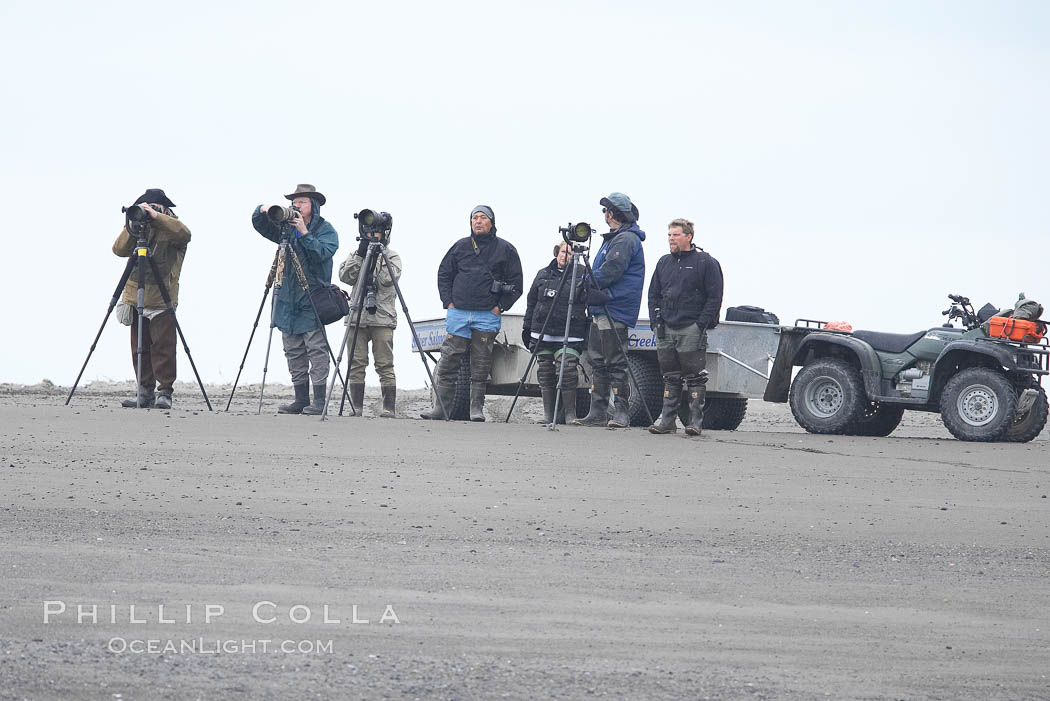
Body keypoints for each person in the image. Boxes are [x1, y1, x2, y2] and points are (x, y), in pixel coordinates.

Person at [421, 205, 523, 422]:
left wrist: (500, 307)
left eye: (483, 217)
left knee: (481, 363)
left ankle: (475, 409)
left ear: (492, 222)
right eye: (474, 217)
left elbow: (517, 284)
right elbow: (444, 274)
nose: (478, 221)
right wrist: (448, 302)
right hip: (458, 313)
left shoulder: (506, 249)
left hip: (487, 315)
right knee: (449, 360)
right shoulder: (460, 246)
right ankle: (441, 409)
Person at [252, 184, 339, 415]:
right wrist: (264, 208)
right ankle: (301, 399)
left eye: (302, 202)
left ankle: (319, 401)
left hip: (311, 297)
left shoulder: (325, 229)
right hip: (287, 299)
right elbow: (260, 225)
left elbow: (322, 253)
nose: (296, 206)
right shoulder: (285, 229)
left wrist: (304, 232)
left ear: (314, 205)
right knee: (293, 349)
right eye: (294, 202)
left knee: (316, 349)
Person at [572, 192, 646, 428]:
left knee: (614, 361)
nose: (604, 214)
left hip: (614, 308)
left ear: (612, 213)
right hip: (603, 307)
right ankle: (598, 411)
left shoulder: (625, 240)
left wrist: (588, 283)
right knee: (598, 360)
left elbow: (612, 270)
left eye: (606, 210)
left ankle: (621, 412)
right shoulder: (616, 238)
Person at [113, 188, 191, 410]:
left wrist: (158, 218)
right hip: (136, 296)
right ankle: (144, 391)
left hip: (162, 298)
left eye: (154, 208)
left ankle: (164, 392)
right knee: (139, 347)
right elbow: (118, 249)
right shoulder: (136, 228)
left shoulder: (172, 228)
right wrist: (132, 224)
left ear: (165, 210)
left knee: (164, 348)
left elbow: (185, 234)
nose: (149, 212)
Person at [646, 218, 724, 436]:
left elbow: (714, 297)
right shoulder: (663, 262)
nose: (671, 239)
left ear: (688, 236)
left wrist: (700, 325)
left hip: (691, 327)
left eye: (676, 235)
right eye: (669, 235)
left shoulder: (705, 262)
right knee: (670, 375)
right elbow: (653, 294)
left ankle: (695, 422)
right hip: (666, 327)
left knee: (695, 376)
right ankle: (667, 422)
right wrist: (655, 321)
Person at [338, 227, 402, 417]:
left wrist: (377, 257)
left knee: (385, 364)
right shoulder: (357, 254)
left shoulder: (392, 256)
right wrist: (361, 254)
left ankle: (389, 407)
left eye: (377, 233)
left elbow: (387, 280)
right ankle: (356, 407)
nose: (372, 237)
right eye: (369, 233)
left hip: (382, 318)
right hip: (357, 316)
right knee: (355, 363)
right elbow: (345, 277)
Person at [521, 241, 589, 424]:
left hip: (570, 331)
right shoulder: (543, 273)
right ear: (556, 252)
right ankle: (548, 415)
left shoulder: (583, 273)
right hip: (542, 331)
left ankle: (570, 414)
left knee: (566, 370)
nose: (564, 255)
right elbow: (531, 301)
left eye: (569, 253)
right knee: (545, 372)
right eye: (562, 251)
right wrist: (527, 328)